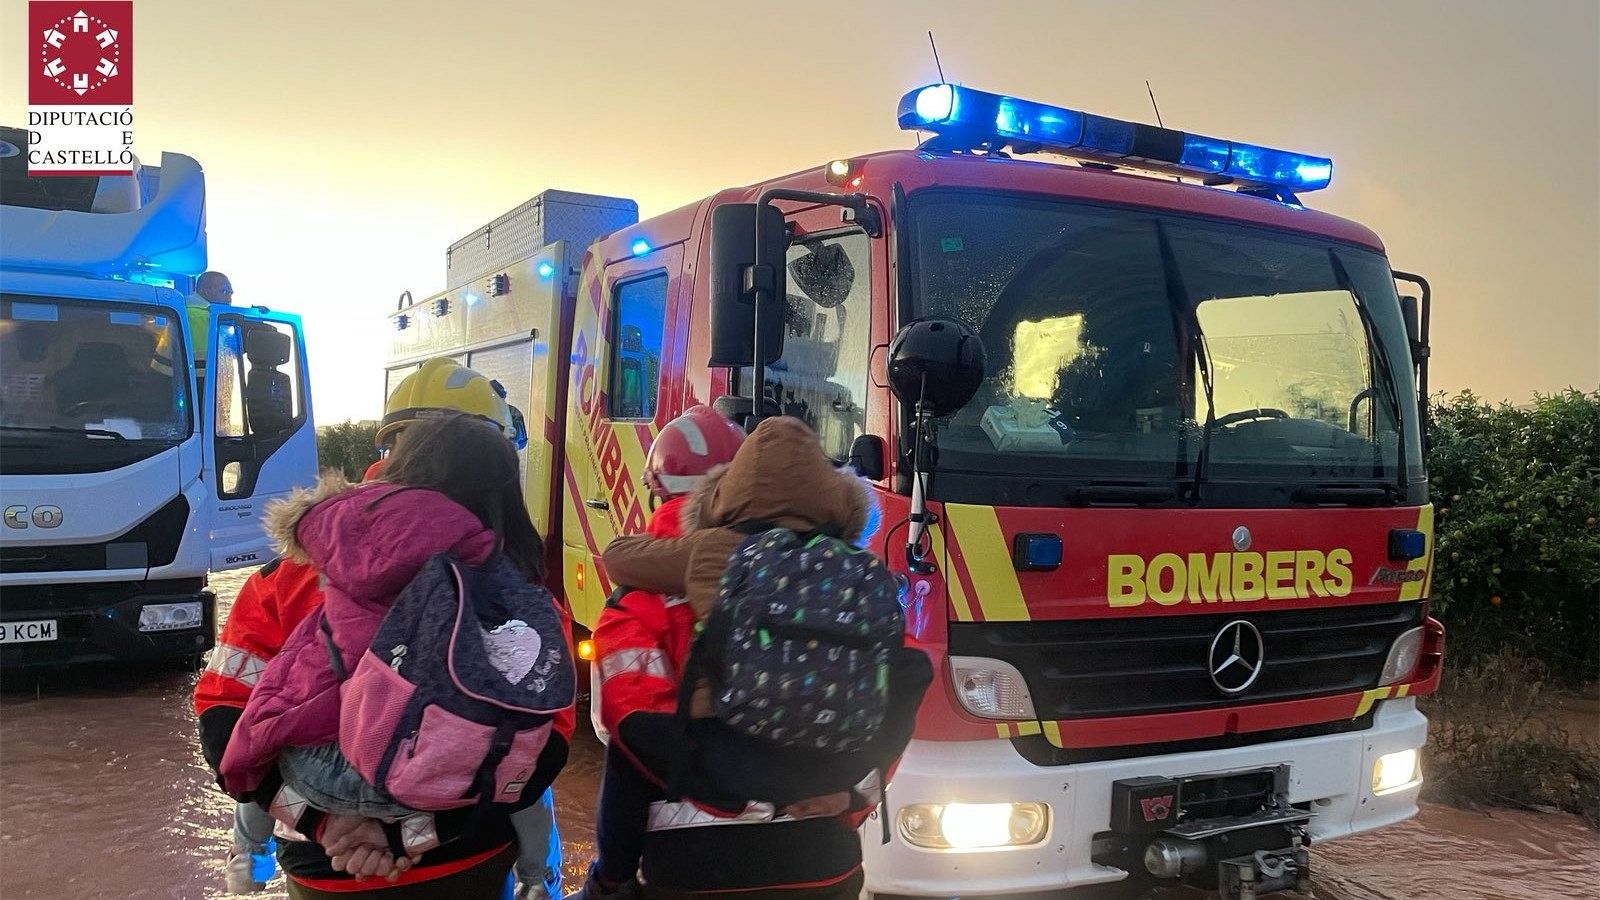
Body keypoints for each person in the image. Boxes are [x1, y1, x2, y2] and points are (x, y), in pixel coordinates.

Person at [194, 358, 562, 897]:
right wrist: (408, 835)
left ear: (389, 451)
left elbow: (225, 721)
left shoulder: (285, 573)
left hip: (323, 866)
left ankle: (247, 864)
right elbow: (542, 753)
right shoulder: (515, 581)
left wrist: (330, 826)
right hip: (464, 862)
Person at [579, 413, 930, 899]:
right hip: (823, 860)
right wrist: (844, 797)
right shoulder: (859, 586)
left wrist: (614, 875)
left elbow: (629, 729)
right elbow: (895, 709)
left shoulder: (643, 595)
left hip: (694, 867)